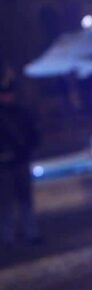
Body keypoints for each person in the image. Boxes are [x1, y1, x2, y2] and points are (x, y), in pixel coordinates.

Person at [0, 70, 41, 246]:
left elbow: (32, 134)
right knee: (6, 202)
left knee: (25, 200)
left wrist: (27, 150)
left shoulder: (20, 112)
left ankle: (30, 233)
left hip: (20, 161)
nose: (7, 97)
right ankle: (7, 236)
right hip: (5, 165)